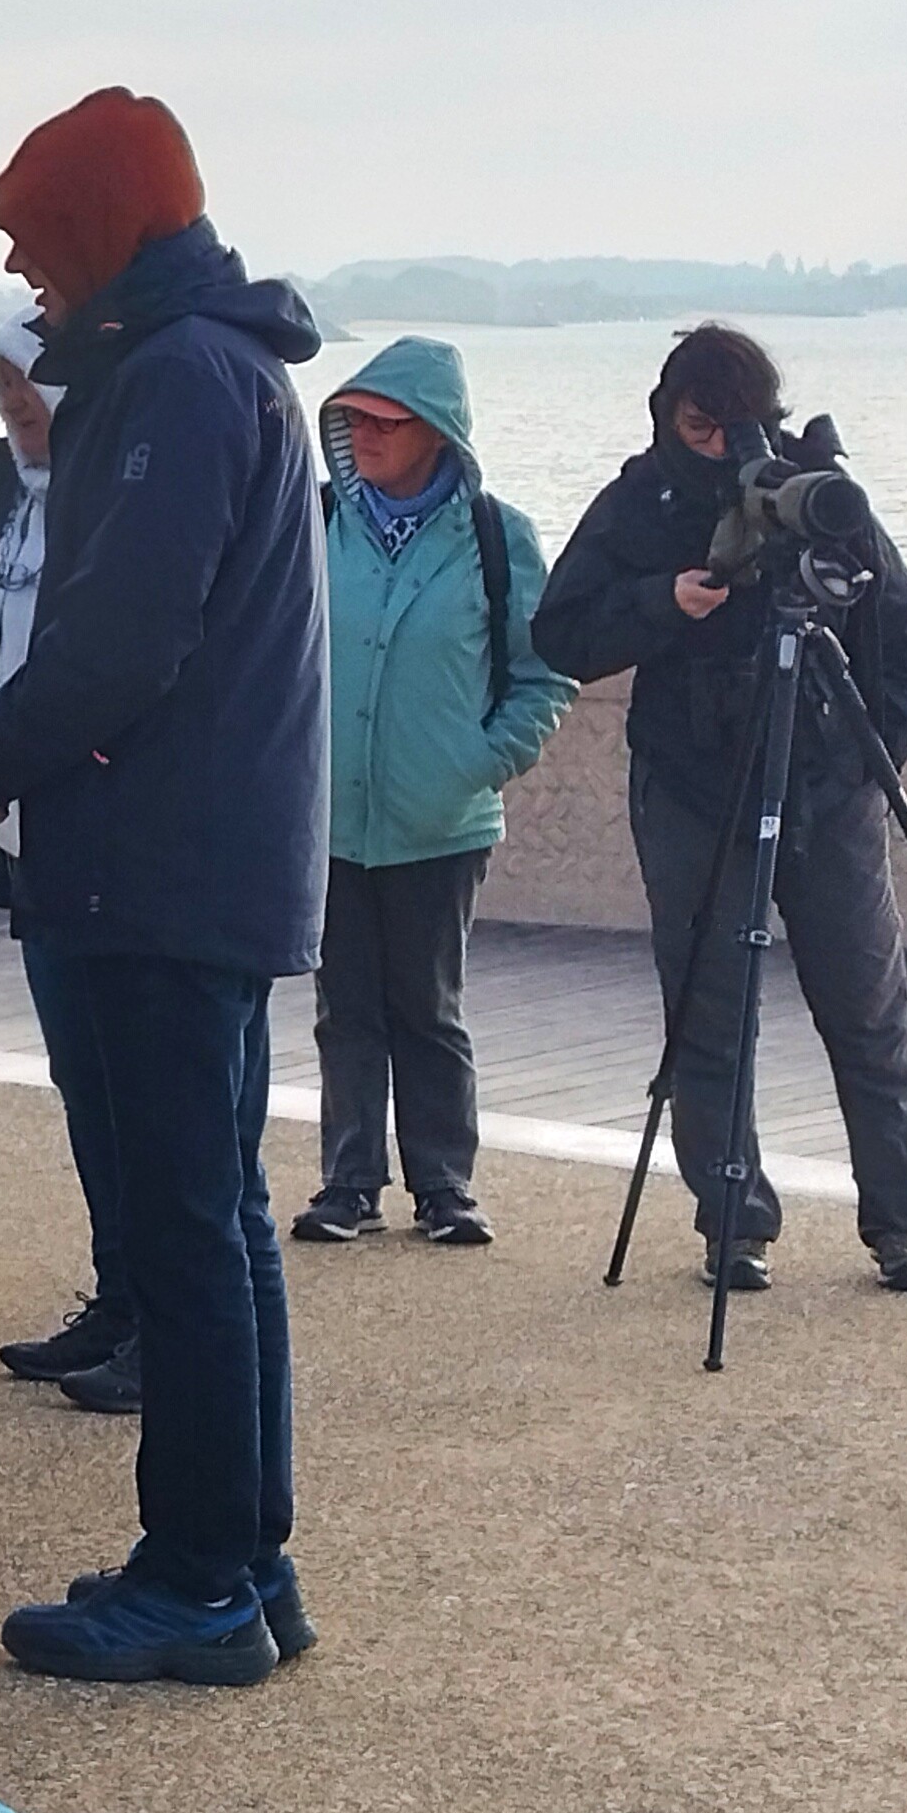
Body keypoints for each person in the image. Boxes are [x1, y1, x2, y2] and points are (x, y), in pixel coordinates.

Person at [0, 89, 325, 1688]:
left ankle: (200, 1581)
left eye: (35, 238)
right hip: (200, 858)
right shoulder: (210, 369)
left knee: (183, 1229)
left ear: (100, 231)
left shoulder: (170, 380)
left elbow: (124, 635)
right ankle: (241, 1555)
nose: (25, 272)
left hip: (160, 866)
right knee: (214, 1224)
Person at [531, 324, 907, 1296]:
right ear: (668, 415)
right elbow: (560, 634)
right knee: (707, 1016)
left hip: (825, 791)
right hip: (690, 792)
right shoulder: (639, 504)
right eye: (702, 426)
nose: (724, 445)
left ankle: (904, 1225)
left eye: (743, 424)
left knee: (865, 1008)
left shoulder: (817, 496)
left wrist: (868, 763)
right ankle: (733, 1224)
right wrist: (660, 605)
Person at [295, 340, 577, 1249]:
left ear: (438, 432)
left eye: (386, 420)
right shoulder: (314, 518)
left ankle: (446, 1186)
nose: (364, 434)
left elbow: (546, 672)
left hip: (443, 818)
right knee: (346, 1007)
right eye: (353, 418)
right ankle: (347, 1183)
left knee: (429, 1006)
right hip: (328, 816)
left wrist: (480, 761)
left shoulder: (500, 535)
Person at [0, 318, 142, 1410]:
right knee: (80, 1075)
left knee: (130, 1085)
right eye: (0, 396)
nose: (15, 414)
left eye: (28, 394)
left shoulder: (111, 499)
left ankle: (155, 1317)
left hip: (93, 816)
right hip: (23, 821)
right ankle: (117, 1294)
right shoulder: (3, 486)